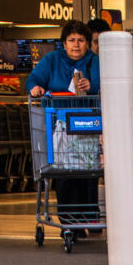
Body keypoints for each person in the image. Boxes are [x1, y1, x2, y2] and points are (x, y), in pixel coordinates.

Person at [26, 25, 101, 240]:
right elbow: (33, 80)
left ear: (87, 43)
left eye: (80, 40)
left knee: (88, 171)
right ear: (64, 42)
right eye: (71, 40)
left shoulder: (94, 61)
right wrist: (35, 89)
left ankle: (88, 217)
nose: (76, 45)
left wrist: (91, 86)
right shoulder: (52, 60)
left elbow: (100, 83)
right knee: (64, 172)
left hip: (86, 125)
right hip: (58, 126)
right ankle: (69, 221)